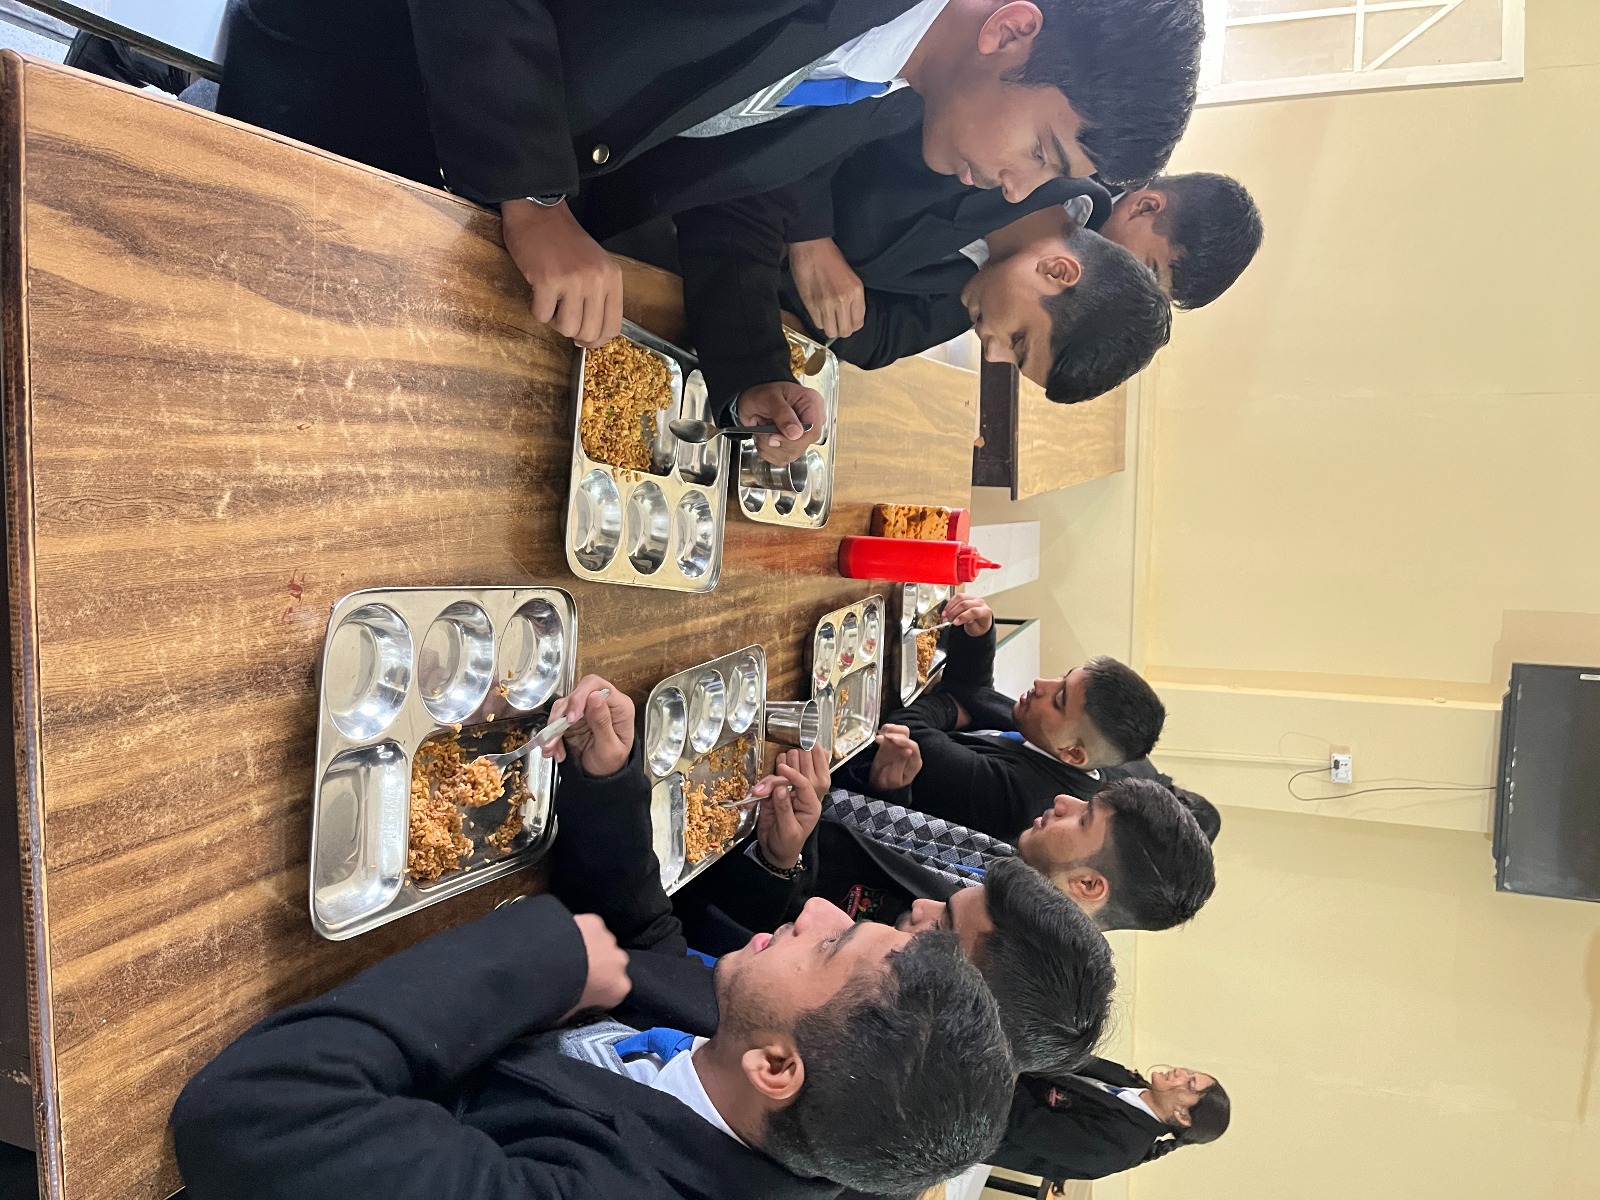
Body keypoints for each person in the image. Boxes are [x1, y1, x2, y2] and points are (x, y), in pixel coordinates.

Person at [218, 0, 1204, 459]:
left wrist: (748, 372)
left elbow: (735, 186)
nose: (1014, 185)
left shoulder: (891, 98)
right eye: (1039, 148)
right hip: (360, 85)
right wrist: (536, 195)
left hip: (438, 208)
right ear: (1009, 30)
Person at [170, 676, 1016, 1200]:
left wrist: (538, 960)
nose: (820, 910)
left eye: (834, 948)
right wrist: (606, 783)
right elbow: (647, 944)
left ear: (777, 1069)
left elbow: (253, 1112)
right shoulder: (754, 1052)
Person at [669, 749, 1115, 1074]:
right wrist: (779, 861)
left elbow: (689, 943)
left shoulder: (779, 1029)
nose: (922, 904)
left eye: (941, 925)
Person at [846, 594, 1178, 839]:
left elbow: (904, 729)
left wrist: (951, 706)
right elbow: (974, 693)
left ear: (1074, 754)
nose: (1042, 683)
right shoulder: (1050, 734)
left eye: (1059, 699)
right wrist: (978, 636)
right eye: (1063, 677)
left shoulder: (1019, 797)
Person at [994, 1060, 1231, 1181]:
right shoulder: (1129, 1081)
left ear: (1182, 1115)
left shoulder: (1121, 1147)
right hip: (995, 1075)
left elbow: (1023, 1125)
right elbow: (1063, 1057)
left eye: (1189, 1083)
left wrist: (1003, 1064)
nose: (1179, 1071)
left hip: (985, 1113)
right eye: (1189, 1073)